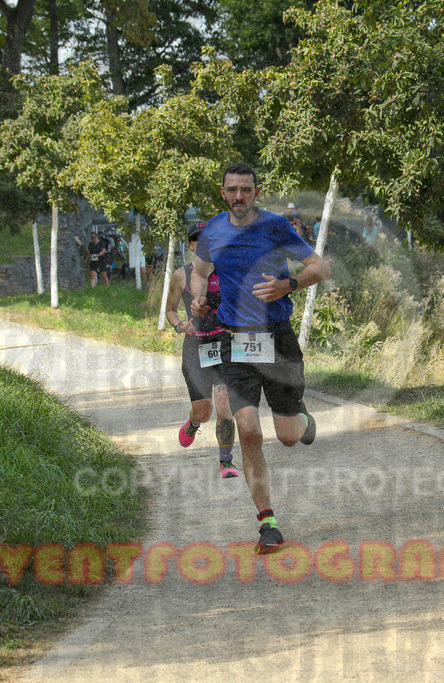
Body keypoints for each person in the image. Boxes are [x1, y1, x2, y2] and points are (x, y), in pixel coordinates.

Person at [191, 162, 331, 552]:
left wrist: (288, 284)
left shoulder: (275, 227)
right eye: (232, 189)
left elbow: (320, 267)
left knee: (288, 438)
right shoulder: (212, 231)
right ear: (223, 192)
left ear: (256, 191)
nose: (239, 196)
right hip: (235, 342)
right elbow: (200, 272)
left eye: (246, 190)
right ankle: (267, 523)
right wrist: (199, 296)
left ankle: (301, 419)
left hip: (278, 341)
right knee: (248, 431)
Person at [165, 221, 239, 479]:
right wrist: (179, 326)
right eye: (196, 239)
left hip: (223, 345)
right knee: (204, 410)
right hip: (195, 347)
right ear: (190, 244)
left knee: (224, 404)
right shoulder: (181, 275)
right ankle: (194, 423)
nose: (202, 242)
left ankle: (226, 461)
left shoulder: (227, 271)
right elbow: (170, 310)